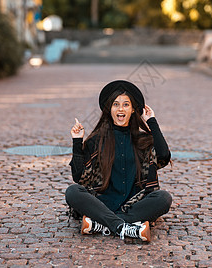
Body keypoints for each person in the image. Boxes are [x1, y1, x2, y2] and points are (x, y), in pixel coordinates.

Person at [65, 80, 172, 242]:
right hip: (102, 203)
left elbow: (164, 156)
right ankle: (124, 227)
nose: (120, 109)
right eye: (115, 104)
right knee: (72, 191)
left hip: (134, 204)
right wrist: (77, 142)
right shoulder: (97, 140)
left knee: (164, 198)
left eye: (126, 104)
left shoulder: (143, 140)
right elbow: (79, 177)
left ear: (133, 110)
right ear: (109, 110)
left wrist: (152, 121)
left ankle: (101, 224)